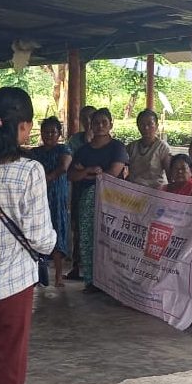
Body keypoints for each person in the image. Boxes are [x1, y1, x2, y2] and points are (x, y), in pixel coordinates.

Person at [0, 87, 57, 384]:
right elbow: (41, 238)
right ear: (22, 125)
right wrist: (52, 243)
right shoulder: (30, 170)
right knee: (6, 366)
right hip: (10, 282)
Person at [69, 108, 128, 292]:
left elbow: (113, 173)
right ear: (91, 126)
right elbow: (71, 175)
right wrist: (89, 171)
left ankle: (111, 282)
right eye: (96, 122)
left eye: (104, 122)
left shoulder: (117, 147)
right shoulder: (83, 150)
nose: (100, 125)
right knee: (87, 238)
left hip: (112, 202)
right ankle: (91, 281)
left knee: (111, 240)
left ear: (111, 124)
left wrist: (86, 174)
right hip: (85, 201)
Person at [29, 117, 73, 287]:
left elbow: (64, 167)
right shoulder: (34, 152)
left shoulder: (64, 149)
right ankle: (39, 275)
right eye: (45, 132)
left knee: (58, 232)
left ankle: (58, 276)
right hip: (38, 198)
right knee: (37, 233)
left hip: (57, 198)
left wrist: (48, 178)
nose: (48, 135)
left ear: (58, 134)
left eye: (52, 132)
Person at [65, 105, 97, 280]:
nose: (88, 121)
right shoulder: (75, 140)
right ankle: (77, 266)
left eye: (91, 117)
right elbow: (71, 166)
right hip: (79, 189)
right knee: (77, 228)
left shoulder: (105, 141)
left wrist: (83, 169)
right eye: (84, 118)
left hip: (99, 192)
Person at [126, 109, 171, 189]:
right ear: (138, 126)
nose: (146, 127)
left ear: (157, 126)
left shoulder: (163, 147)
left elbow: (170, 174)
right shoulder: (131, 147)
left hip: (156, 191)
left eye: (150, 124)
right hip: (133, 191)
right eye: (142, 124)